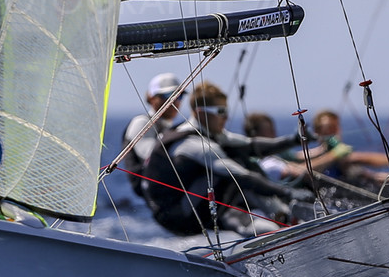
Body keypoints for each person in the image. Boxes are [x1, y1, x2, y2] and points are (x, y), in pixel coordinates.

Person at [140, 83, 296, 236]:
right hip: (178, 217)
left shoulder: (210, 132)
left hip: (193, 204)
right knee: (234, 170)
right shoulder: (193, 144)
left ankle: (283, 219)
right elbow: (241, 176)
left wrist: (295, 140)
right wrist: (287, 193)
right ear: (201, 113)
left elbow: (251, 146)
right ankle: (283, 219)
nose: (226, 117)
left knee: (241, 156)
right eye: (221, 111)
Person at [117, 73, 183, 198]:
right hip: (154, 191)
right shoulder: (141, 123)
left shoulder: (169, 128)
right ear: (151, 97)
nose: (174, 101)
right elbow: (152, 156)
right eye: (168, 95)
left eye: (179, 96)